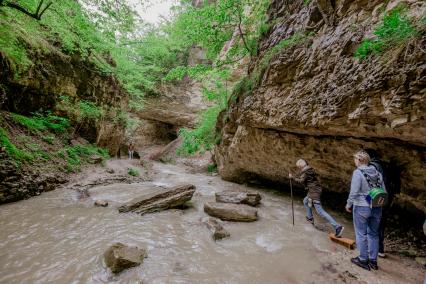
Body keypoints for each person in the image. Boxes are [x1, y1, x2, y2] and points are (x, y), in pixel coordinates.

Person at [346, 150, 386, 271]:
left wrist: (348, 204)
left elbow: (354, 191)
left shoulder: (358, 172)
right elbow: (384, 191)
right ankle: (373, 261)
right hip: (377, 207)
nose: (354, 161)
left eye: (355, 159)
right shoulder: (378, 173)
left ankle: (363, 259)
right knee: (374, 234)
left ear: (359, 160)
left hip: (362, 207)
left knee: (361, 233)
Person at [289, 159, 344, 238]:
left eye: (299, 167)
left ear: (301, 166)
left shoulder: (305, 172)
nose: (299, 168)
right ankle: (310, 218)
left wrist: (292, 177)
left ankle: (338, 227)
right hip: (315, 190)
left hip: (314, 192)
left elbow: (301, 181)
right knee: (305, 201)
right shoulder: (310, 169)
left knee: (320, 211)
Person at [365, 149, 398, 258]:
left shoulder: (372, 166)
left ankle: (372, 249)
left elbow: (370, 185)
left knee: (372, 222)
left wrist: (367, 200)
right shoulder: (386, 166)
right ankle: (380, 249)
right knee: (381, 222)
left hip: (377, 197)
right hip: (387, 198)